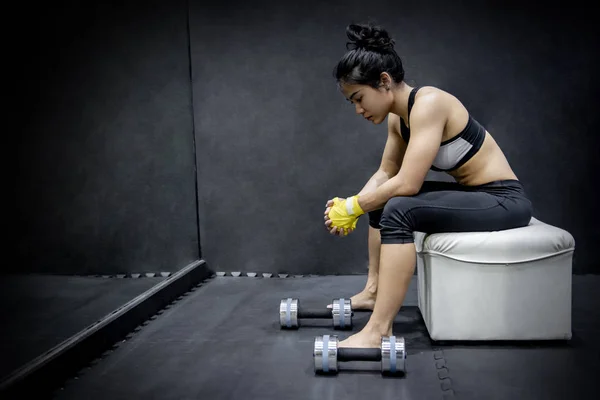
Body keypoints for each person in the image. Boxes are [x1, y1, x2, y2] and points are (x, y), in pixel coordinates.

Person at [323, 22, 533, 349]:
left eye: (359, 98)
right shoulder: (398, 119)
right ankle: (373, 291)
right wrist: (352, 204)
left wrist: (353, 206)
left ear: (384, 82)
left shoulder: (430, 104)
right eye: (352, 102)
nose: (358, 109)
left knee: (398, 208)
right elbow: (385, 174)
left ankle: (378, 332)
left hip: (504, 200)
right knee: (381, 200)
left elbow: (407, 183)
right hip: (477, 196)